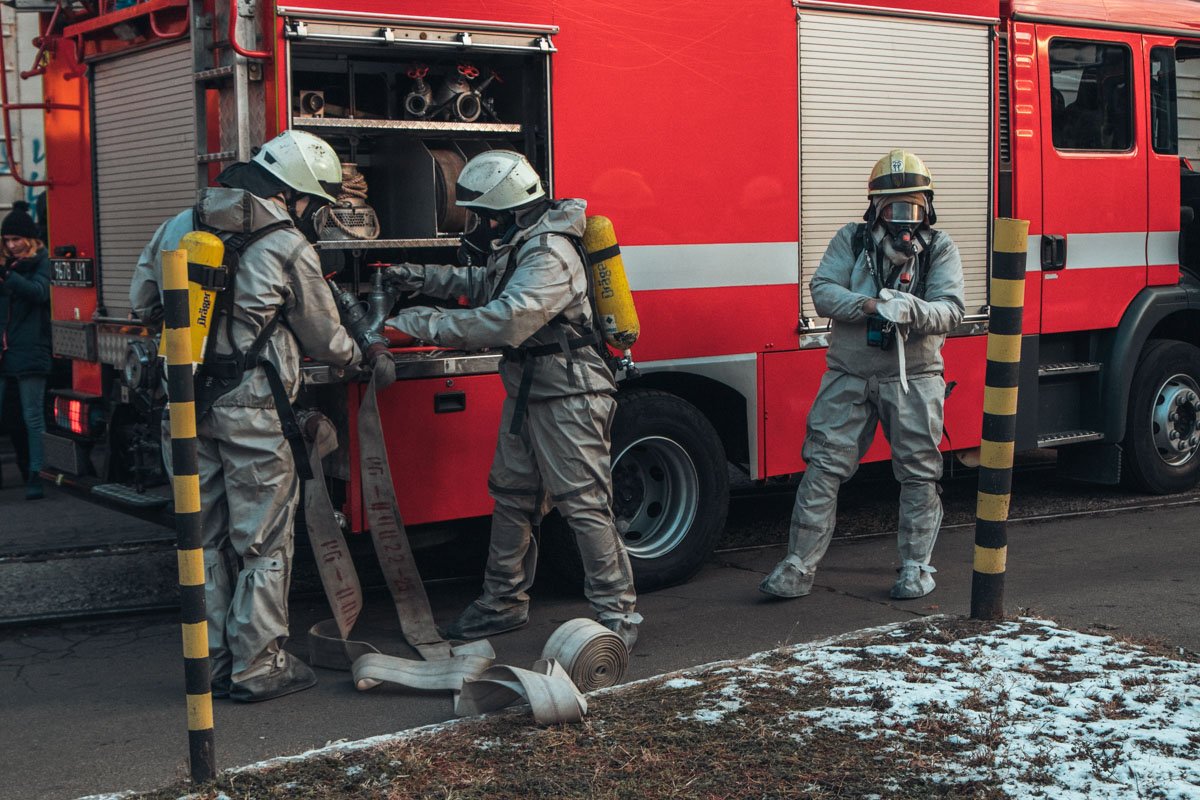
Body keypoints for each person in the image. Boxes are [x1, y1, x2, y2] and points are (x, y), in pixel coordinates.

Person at [131, 130, 393, 702]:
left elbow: (144, 302)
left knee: (203, 538)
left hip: (183, 400)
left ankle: (216, 665)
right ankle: (258, 668)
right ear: (295, 194)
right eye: (314, 203)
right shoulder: (286, 244)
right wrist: (361, 357)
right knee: (263, 541)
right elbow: (325, 338)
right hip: (252, 407)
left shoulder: (181, 224)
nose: (313, 214)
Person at [384, 150, 642, 651]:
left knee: (585, 506)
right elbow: (486, 283)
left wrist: (416, 323)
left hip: (570, 395)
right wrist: (419, 276)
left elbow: (507, 317)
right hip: (532, 387)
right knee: (512, 496)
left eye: (480, 214)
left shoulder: (550, 252)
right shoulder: (523, 242)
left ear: (505, 210)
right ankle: (502, 603)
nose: (476, 225)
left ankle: (618, 619)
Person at [760, 149, 965, 601]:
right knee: (822, 468)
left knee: (918, 474)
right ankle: (798, 567)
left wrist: (911, 309)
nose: (901, 219)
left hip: (913, 377)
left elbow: (951, 310)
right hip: (849, 374)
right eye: (891, 207)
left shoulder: (939, 248)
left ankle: (915, 568)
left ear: (927, 207)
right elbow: (821, 291)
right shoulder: (852, 241)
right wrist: (869, 305)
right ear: (874, 208)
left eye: (912, 207)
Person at [0, 201, 52, 500]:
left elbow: (39, 292)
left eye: (16, 239)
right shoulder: (12, 267)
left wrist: (9, 277)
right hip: (7, 351)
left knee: (33, 418)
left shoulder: (41, 262)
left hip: (30, 350)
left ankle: (36, 474)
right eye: (7, 240)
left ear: (30, 239)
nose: (11, 245)